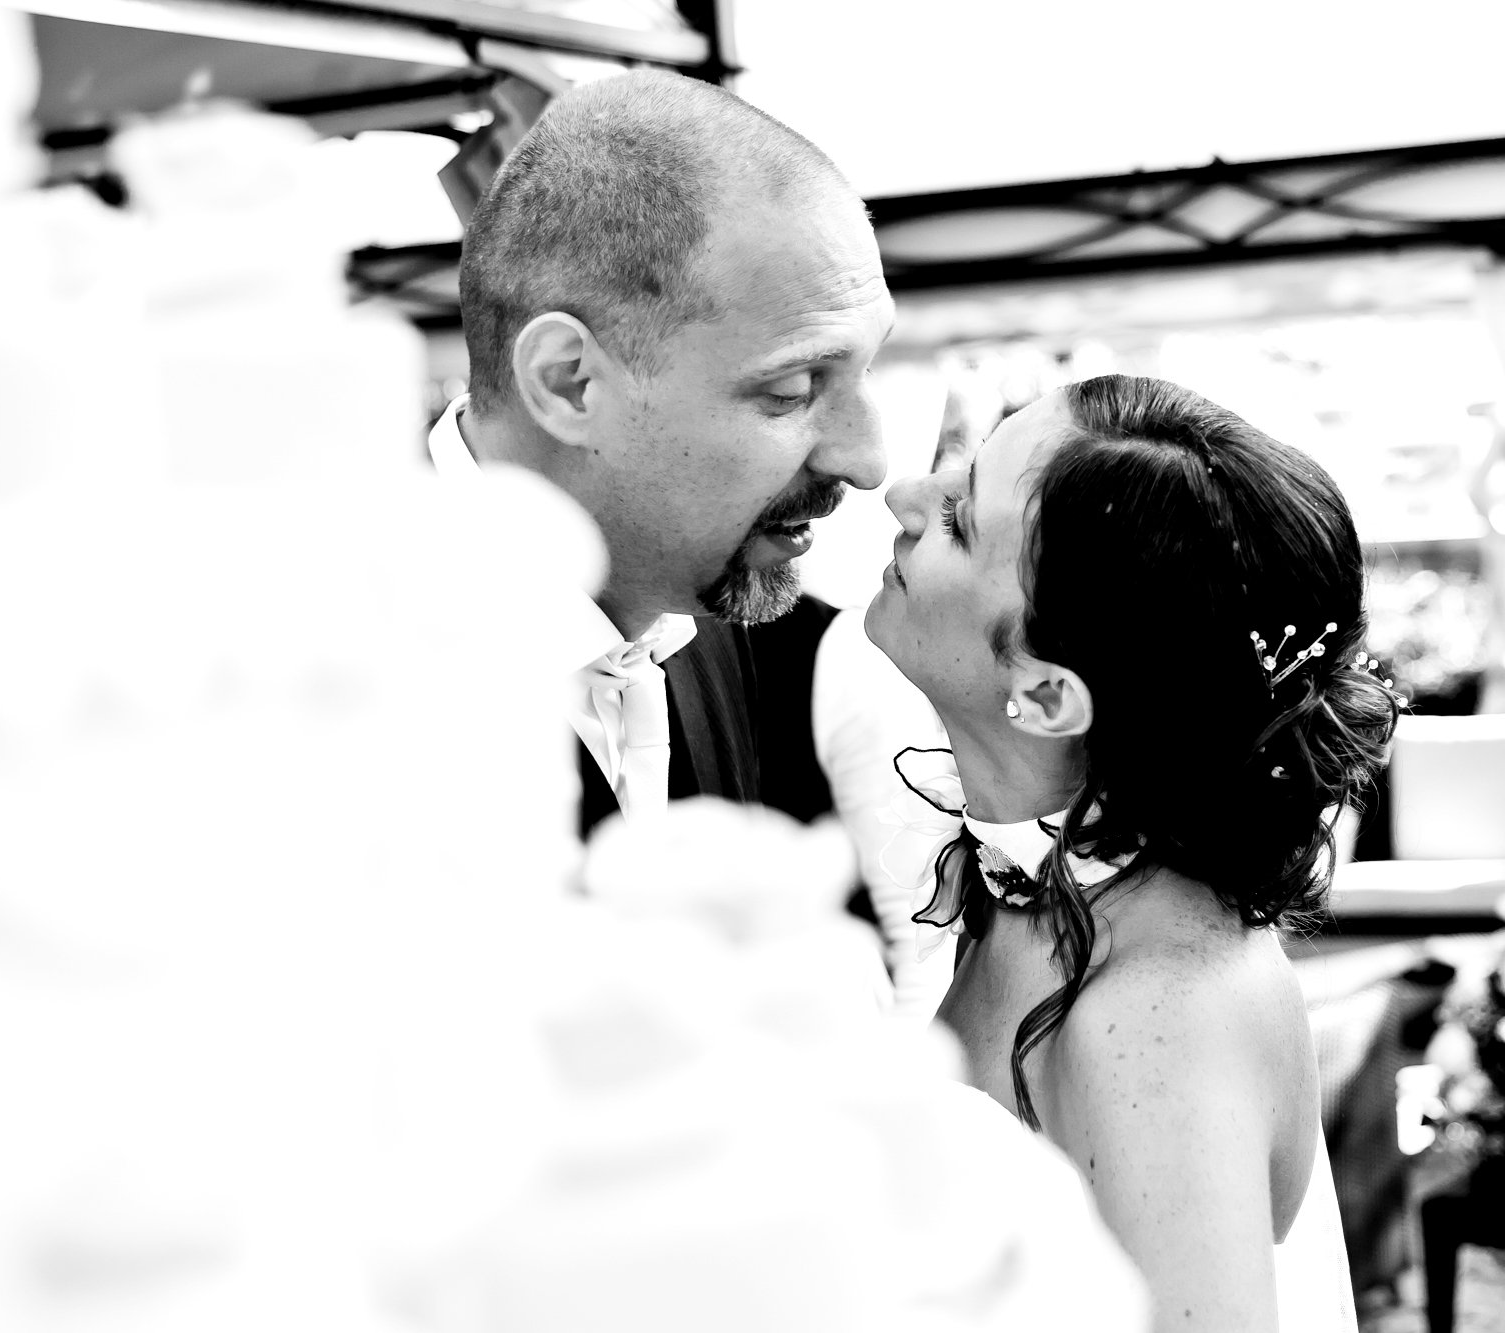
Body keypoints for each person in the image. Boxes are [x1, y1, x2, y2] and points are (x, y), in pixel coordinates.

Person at [865, 373, 1394, 1331]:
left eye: (958, 521)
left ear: (1049, 696)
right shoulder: (1042, 885)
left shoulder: (1158, 1020)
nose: (905, 495)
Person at [431, 69, 895, 838]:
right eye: (792, 387)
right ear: (570, 383)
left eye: (865, 366)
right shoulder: (298, 682)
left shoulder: (730, 627)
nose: (869, 461)